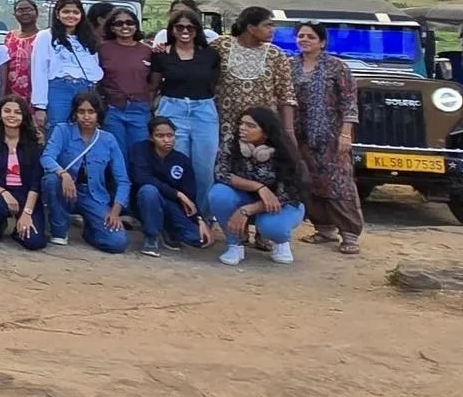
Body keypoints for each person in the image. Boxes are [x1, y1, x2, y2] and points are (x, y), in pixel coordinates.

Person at [290, 22, 364, 255]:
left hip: (331, 136)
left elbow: (349, 102)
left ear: (322, 42)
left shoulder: (336, 67)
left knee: (339, 183)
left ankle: (349, 233)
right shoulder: (290, 66)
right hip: (301, 135)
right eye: (301, 36)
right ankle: (324, 230)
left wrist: (346, 134)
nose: (304, 40)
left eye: (310, 37)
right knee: (309, 182)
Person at [211, 106, 309, 266]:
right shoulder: (232, 142)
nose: (242, 128)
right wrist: (259, 187)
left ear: (266, 133)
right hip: (246, 197)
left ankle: (280, 242)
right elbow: (221, 174)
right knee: (218, 194)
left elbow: (285, 195)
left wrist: (246, 210)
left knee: (271, 226)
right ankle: (234, 244)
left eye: (250, 126)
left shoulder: (283, 152)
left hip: (282, 204)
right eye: (241, 123)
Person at [149, 12, 223, 220]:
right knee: (175, 165)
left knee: (204, 168)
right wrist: (151, 113)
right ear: (172, 29)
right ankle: (178, 217)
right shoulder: (161, 54)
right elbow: (153, 86)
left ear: (197, 30)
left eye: (190, 27)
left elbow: (216, 84)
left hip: (203, 110)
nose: (184, 31)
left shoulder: (210, 54)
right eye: (179, 27)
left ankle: (203, 217)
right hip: (172, 109)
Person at [39, 91, 130, 253]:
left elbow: (123, 180)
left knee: (118, 242)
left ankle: (90, 232)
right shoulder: (62, 130)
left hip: (94, 196)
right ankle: (59, 230)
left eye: (91, 112)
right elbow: (47, 157)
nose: (86, 117)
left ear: (98, 114)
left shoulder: (108, 139)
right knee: (51, 180)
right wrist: (63, 174)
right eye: (81, 111)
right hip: (65, 190)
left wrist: (115, 211)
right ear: (75, 113)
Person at [213, 6, 299, 158]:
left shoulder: (276, 54)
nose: (272, 30)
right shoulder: (221, 46)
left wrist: (288, 131)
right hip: (225, 128)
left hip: (262, 132)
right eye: (267, 25)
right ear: (251, 28)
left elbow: (286, 96)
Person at [129, 115, 208, 256]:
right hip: (144, 201)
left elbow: (189, 196)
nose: (166, 140)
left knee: (198, 239)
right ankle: (151, 237)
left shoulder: (182, 160)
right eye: (160, 136)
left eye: (170, 135)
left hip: (170, 205)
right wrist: (177, 194)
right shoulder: (140, 149)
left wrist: (200, 219)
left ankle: (167, 230)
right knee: (149, 191)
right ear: (151, 137)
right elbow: (142, 178)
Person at [0, 96, 46, 249]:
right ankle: (0, 222)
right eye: (7, 111)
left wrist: (27, 212)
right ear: (0, 114)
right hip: (0, 192)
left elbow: (36, 183)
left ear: (24, 116)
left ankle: (18, 230)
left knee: (35, 242)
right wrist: (4, 193)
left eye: (17, 112)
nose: (12, 116)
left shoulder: (34, 141)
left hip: (27, 195)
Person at [30, 0, 103, 132]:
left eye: (75, 12)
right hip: (60, 88)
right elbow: (39, 70)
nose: (71, 16)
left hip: (86, 88)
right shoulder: (46, 36)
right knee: (58, 129)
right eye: (66, 12)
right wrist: (40, 106)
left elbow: (94, 67)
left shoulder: (88, 38)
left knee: (83, 131)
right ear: (57, 14)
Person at [97, 9, 153, 160]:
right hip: (112, 108)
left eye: (129, 22)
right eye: (119, 23)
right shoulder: (101, 49)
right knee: (117, 154)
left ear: (136, 26)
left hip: (139, 108)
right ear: (112, 27)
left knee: (140, 153)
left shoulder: (147, 51)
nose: (125, 26)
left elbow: (154, 80)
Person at [0, 0, 42, 112]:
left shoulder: (42, 37)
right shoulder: (10, 36)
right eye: (20, 10)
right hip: (10, 90)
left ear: (36, 13)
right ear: (14, 14)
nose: (25, 12)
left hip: (33, 90)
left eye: (28, 9)